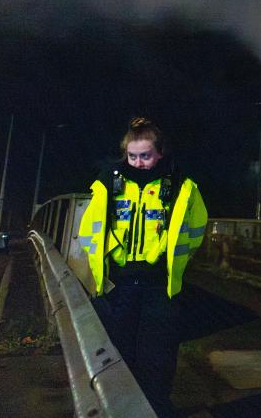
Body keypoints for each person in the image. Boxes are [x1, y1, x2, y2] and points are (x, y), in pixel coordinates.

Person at [77, 117, 207, 417]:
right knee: (119, 351)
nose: (138, 162)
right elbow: (90, 229)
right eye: (133, 156)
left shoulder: (180, 186)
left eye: (145, 155)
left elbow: (196, 228)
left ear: (159, 153)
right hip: (119, 284)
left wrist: (164, 255)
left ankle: (156, 408)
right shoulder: (108, 183)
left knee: (158, 354)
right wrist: (113, 253)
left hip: (160, 284)